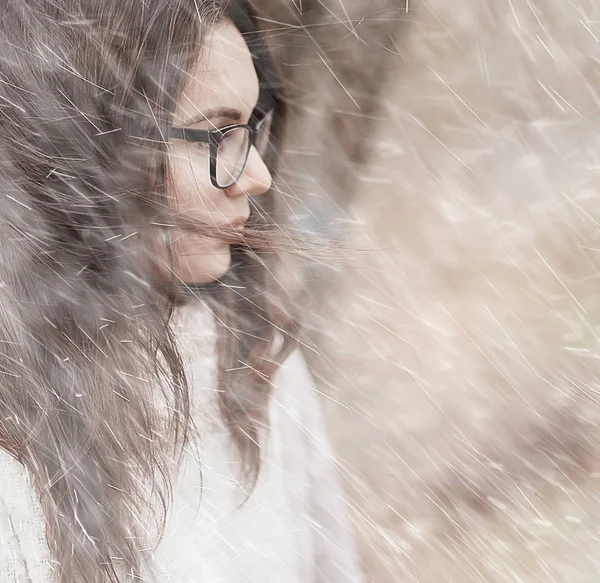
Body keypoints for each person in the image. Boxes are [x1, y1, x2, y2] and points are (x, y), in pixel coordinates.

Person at [0, 0, 363, 581]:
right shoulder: (15, 452)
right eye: (218, 133)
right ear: (93, 150)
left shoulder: (249, 354)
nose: (257, 175)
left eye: (251, 127)